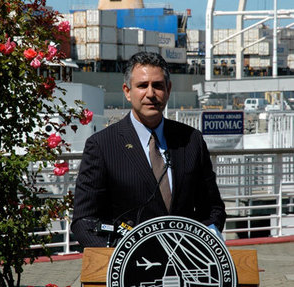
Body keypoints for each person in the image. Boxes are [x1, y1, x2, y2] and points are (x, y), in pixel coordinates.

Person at [71, 52, 226, 247]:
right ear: (127, 91)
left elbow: (213, 209)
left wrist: (198, 244)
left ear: (168, 90)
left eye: (158, 86)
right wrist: (119, 257)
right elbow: (83, 221)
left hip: (184, 264)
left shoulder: (191, 140)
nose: (151, 94)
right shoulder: (102, 145)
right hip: (128, 268)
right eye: (142, 86)